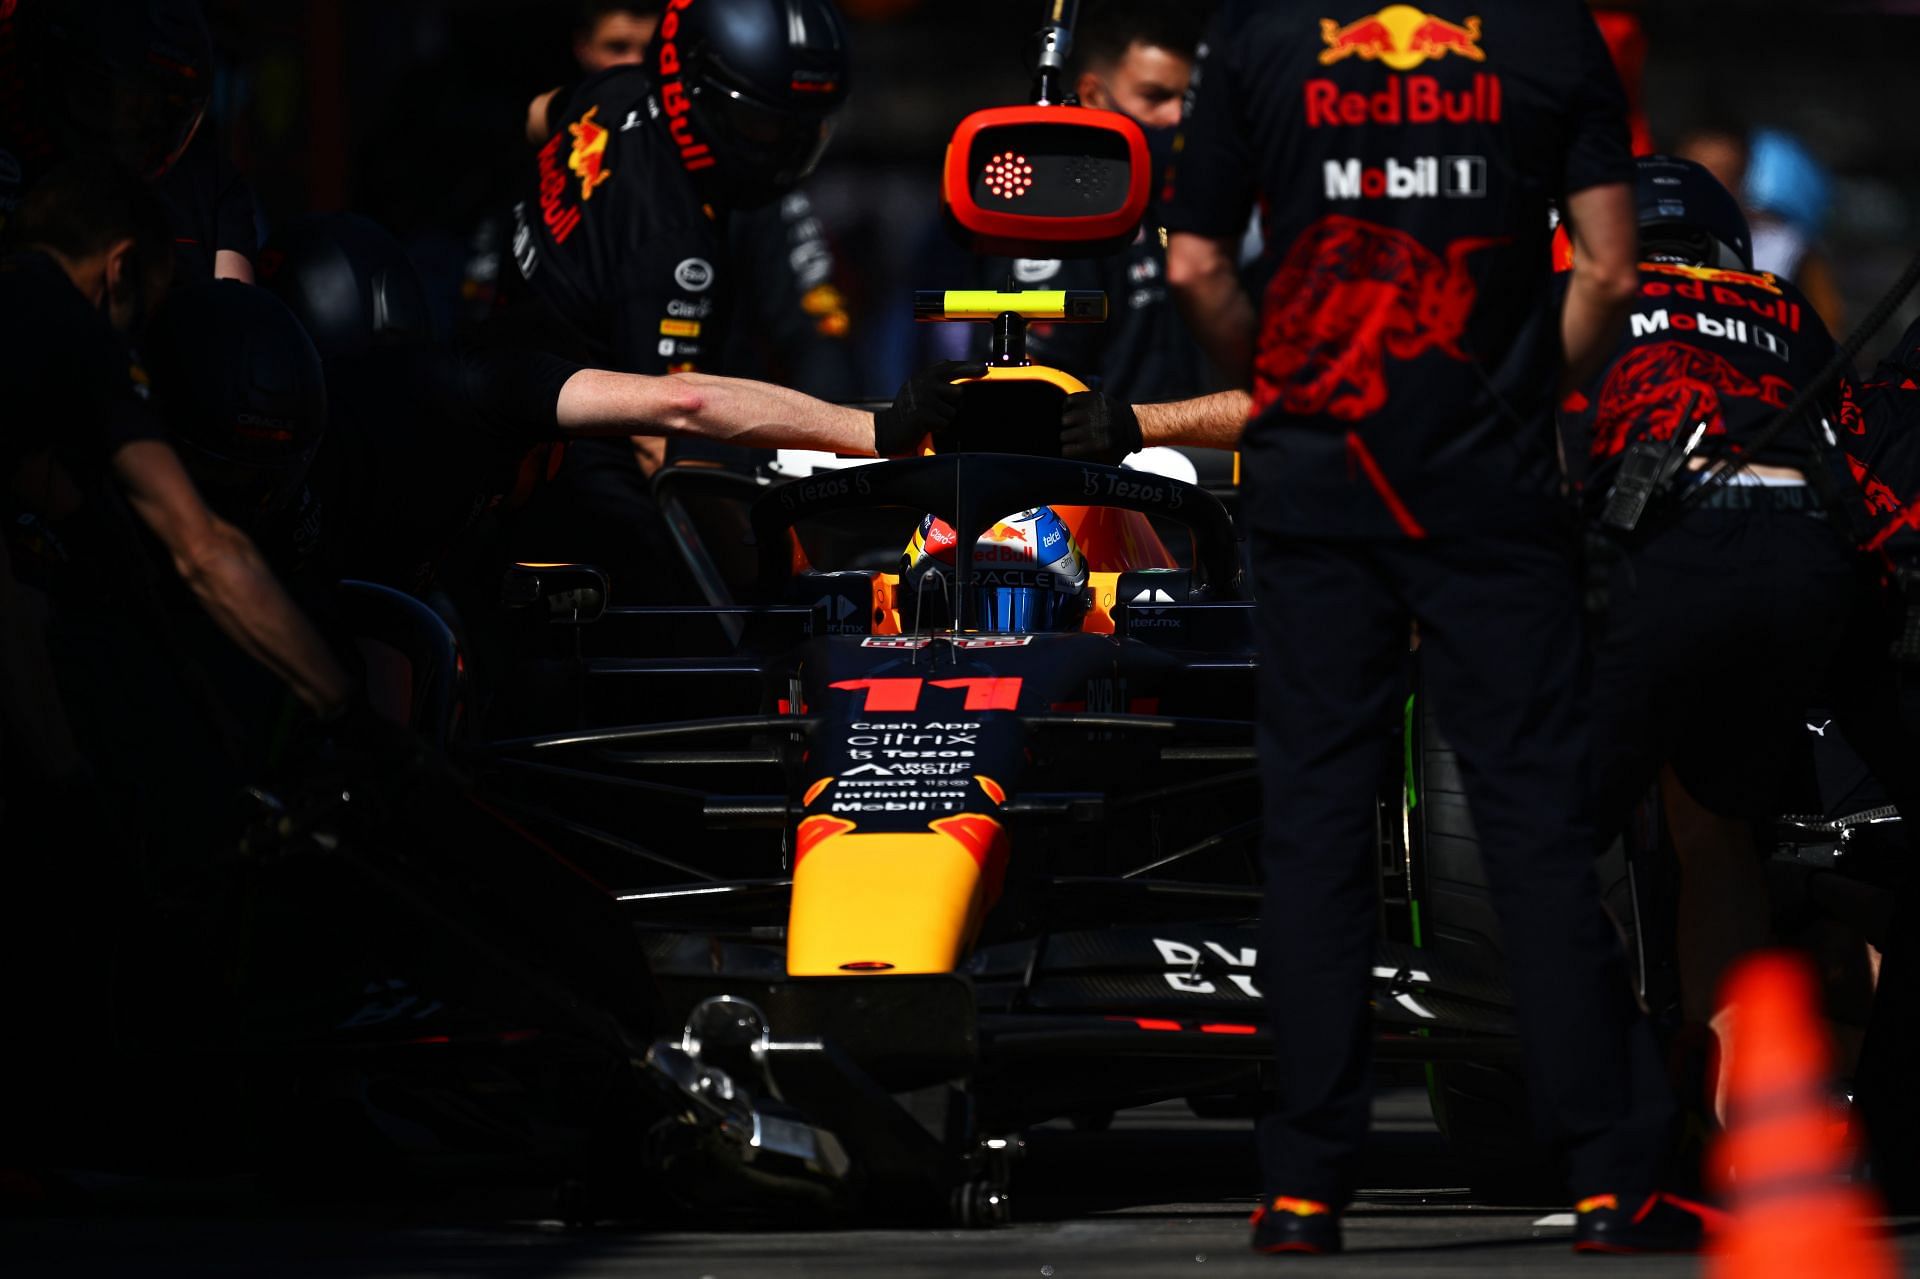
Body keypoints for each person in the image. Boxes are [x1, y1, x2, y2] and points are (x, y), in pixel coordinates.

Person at [1160, 1, 1685, 1254]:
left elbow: (1193, 266)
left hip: (1317, 480)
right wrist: (1517, 397)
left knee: (1318, 830)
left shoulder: (1259, 36)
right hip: (1491, 486)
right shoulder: (1556, 38)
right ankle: (1611, 1173)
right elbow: (1611, 267)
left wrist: (1288, 392)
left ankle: (1304, 1186)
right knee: (1533, 823)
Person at [1567, 156, 1896, 1127]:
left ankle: (1620, 1105)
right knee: (1716, 833)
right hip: (1810, 571)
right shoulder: (1785, 307)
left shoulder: (1581, 293)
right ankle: (1751, 1124)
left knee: (1534, 844)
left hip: (1665, 556)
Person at [492, 0, 858, 600]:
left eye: (804, 126)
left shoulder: (614, 91)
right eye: (766, 125)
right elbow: (668, 440)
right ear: (698, 93)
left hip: (526, 397)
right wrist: (781, 584)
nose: (785, 147)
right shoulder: (674, 244)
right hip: (579, 479)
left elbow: (540, 117)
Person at [978, 0, 1211, 412]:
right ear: (1092, 95)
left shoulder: (1181, 200)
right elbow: (1025, 392)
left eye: (1186, 99)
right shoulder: (1059, 214)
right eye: (1155, 97)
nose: (1177, 116)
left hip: (1189, 461)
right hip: (1097, 467)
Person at [1676, 124, 1846, 335]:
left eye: (1728, 172)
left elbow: (1829, 325)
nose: (1715, 182)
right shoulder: (1648, 239)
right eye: (1703, 171)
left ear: (1745, 175)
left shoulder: (1786, 245)